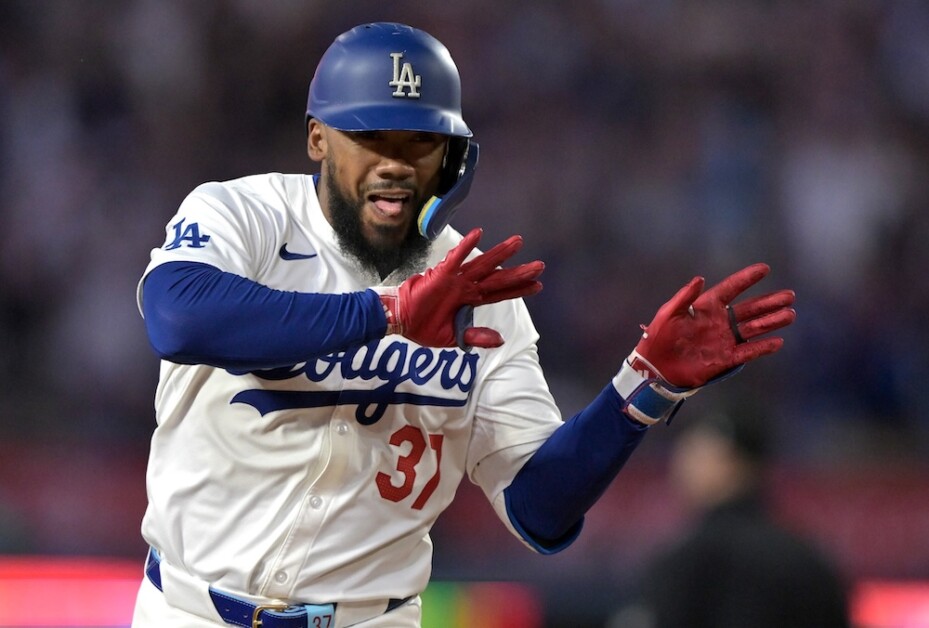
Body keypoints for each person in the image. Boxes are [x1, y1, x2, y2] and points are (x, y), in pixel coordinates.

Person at [130, 22, 797, 628]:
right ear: (316, 139)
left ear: (452, 157)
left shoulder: (481, 289)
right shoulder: (244, 214)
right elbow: (177, 317)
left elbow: (538, 509)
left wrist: (640, 393)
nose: (395, 161)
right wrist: (384, 313)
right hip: (190, 611)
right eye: (369, 136)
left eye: (420, 141)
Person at [609, 406, 850, 628]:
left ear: (732, 463)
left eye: (695, 452)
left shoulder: (693, 555)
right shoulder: (809, 556)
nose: (681, 464)